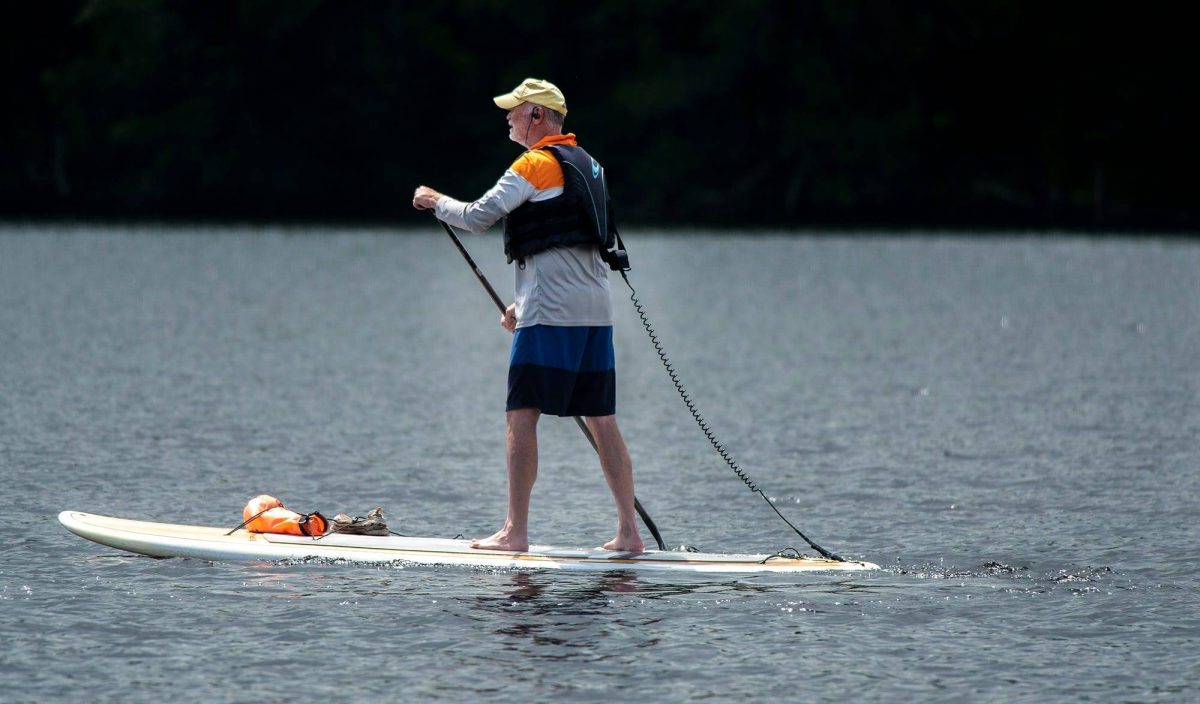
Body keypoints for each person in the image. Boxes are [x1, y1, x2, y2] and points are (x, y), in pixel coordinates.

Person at [412, 78, 644, 554]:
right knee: (602, 419)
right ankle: (629, 533)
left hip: (551, 314)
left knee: (521, 415)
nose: (508, 117)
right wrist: (523, 304)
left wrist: (435, 201)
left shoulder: (535, 163)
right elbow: (571, 246)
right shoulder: (589, 164)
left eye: (515, 110)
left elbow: (477, 216)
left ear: (537, 115)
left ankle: (514, 532)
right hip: (595, 312)